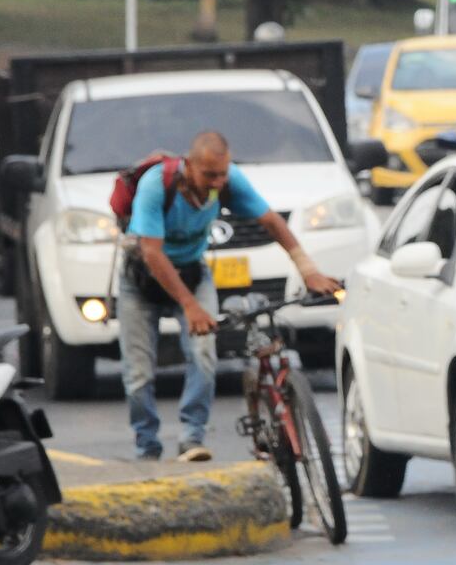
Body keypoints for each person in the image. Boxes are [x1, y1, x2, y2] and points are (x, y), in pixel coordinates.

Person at [119, 131, 340, 461]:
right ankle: (146, 446)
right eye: (210, 175)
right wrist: (190, 306)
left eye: (223, 173)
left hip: (193, 273)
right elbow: (152, 253)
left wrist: (308, 270)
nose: (218, 182)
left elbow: (271, 221)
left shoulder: (228, 180)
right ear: (189, 165)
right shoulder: (156, 185)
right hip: (142, 280)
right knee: (139, 373)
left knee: (204, 355)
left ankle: (192, 438)